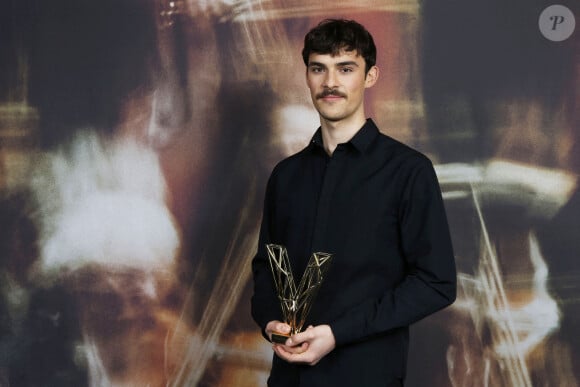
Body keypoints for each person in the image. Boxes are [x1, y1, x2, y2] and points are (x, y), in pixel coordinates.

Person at [251, 18, 457, 386]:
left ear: (370, 76)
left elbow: (435, 282)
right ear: (308, 76)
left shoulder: (408, 171)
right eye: (319, 69)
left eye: (345, 69)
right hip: (287, 380)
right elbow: (268, 267)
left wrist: (337, 333)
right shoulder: (285, 176)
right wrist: (271, 324)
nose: (330, 83)